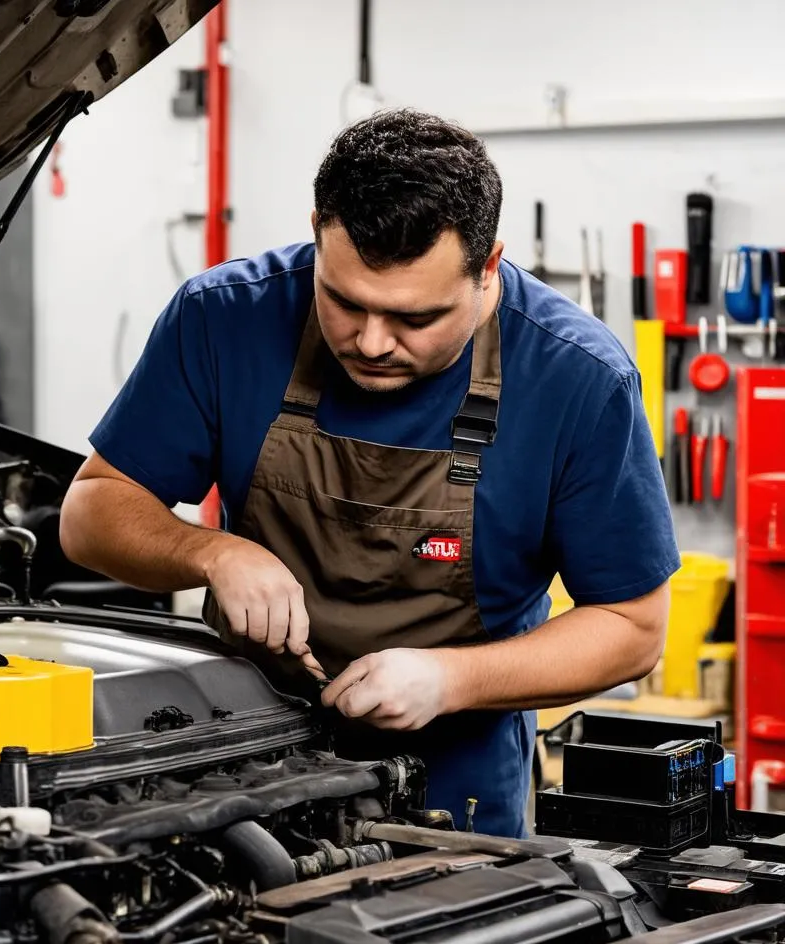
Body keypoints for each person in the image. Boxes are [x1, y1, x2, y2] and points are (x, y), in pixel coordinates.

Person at [58, 109, 679, 838]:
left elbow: (635, 628)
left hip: (454, 794)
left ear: (487, 267)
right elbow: (90, 513)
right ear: (318, 230)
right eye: (343, 302)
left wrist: (451, 679)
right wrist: (211, 552)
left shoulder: (579, 379)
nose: (372, 342)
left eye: (414, 318)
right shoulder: (224, 319)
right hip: (234, 771)